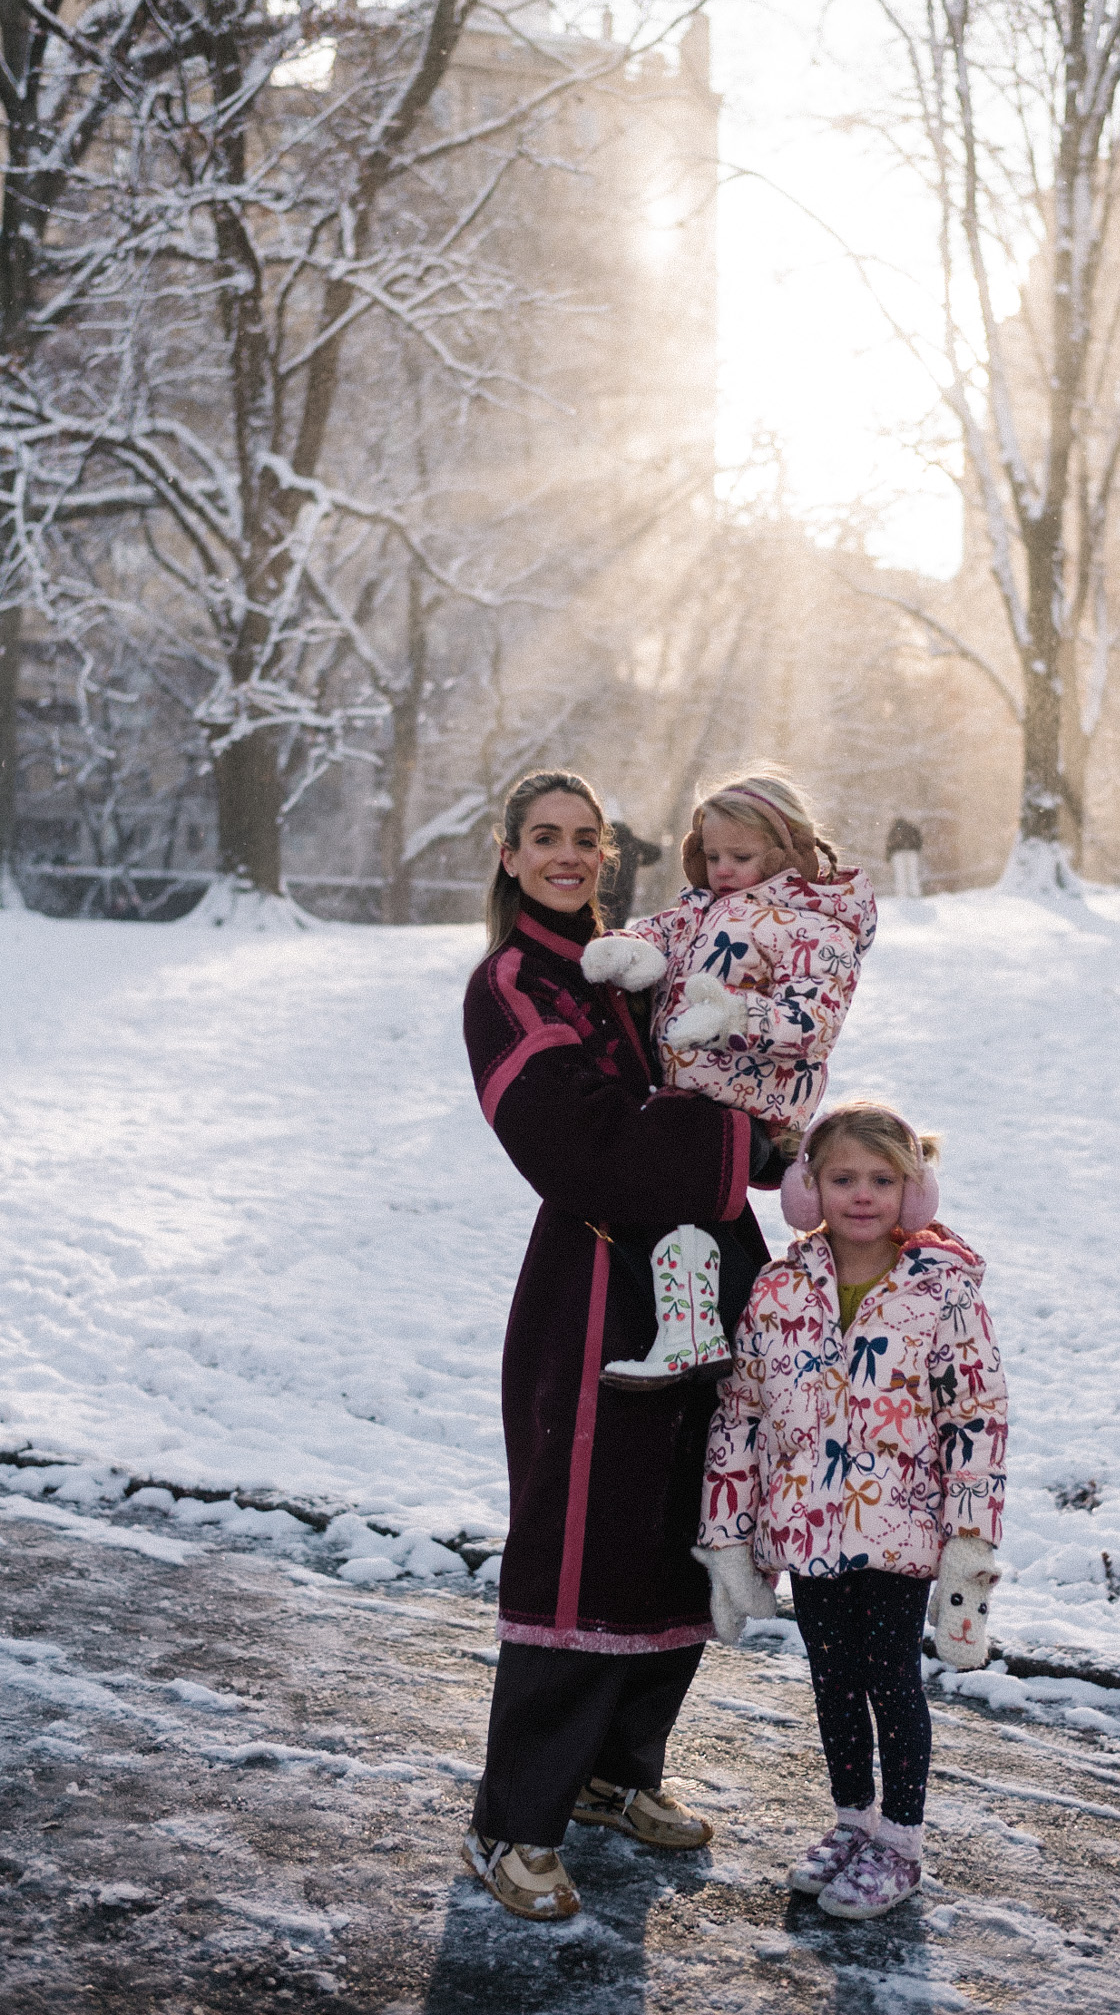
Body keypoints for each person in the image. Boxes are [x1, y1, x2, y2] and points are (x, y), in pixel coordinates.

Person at [460, 769, 771, 1924]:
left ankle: (613, 1775)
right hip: (594, 1295)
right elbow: (578, 1146)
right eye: (545, 838)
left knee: (674, 1536)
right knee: (581, 1543)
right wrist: (731, 1127)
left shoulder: (642, 959)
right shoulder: (511, 983)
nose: (569, 856)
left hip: (706, 1284)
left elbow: (710, 1078)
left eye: (586, 839)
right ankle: (512, 1823)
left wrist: (797, 1125)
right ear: (507, 853)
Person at [694, 1100, 1008, 1921]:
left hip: (903, 1530)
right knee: (833, 1681)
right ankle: (851, 1822)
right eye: (842, 1178)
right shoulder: (779, 1287)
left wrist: (970, 1544)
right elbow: (742, 1414)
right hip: (810, 1528)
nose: (861, 1195)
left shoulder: (942, 1291)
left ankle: (900, 1840)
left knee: (891, 1680)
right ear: (808, 1188)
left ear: (914, 1191)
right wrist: (730, 1537)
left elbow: (976, 1415)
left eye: (881, 1179)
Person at [580, 767, 876, 1389]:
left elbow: (815, 1022)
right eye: (712, 855)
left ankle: (706, 1338)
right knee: (670, 1202)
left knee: (663, 1169)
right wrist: (633, 950)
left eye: (740, 856)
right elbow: (657, 933)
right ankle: (701, 1336)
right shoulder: (697, 909)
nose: (722, 869)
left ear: (784, 853)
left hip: (755, 1109)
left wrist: (735, 1016)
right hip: (689, 1101)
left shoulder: (816, 928)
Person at [596, 819, 662, 926]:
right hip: (625, 890)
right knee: (619, 924)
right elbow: (656, 852)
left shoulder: (605, 842)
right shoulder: (632, 842)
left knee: (602, 923)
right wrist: (640, 861)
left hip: (605, 889)